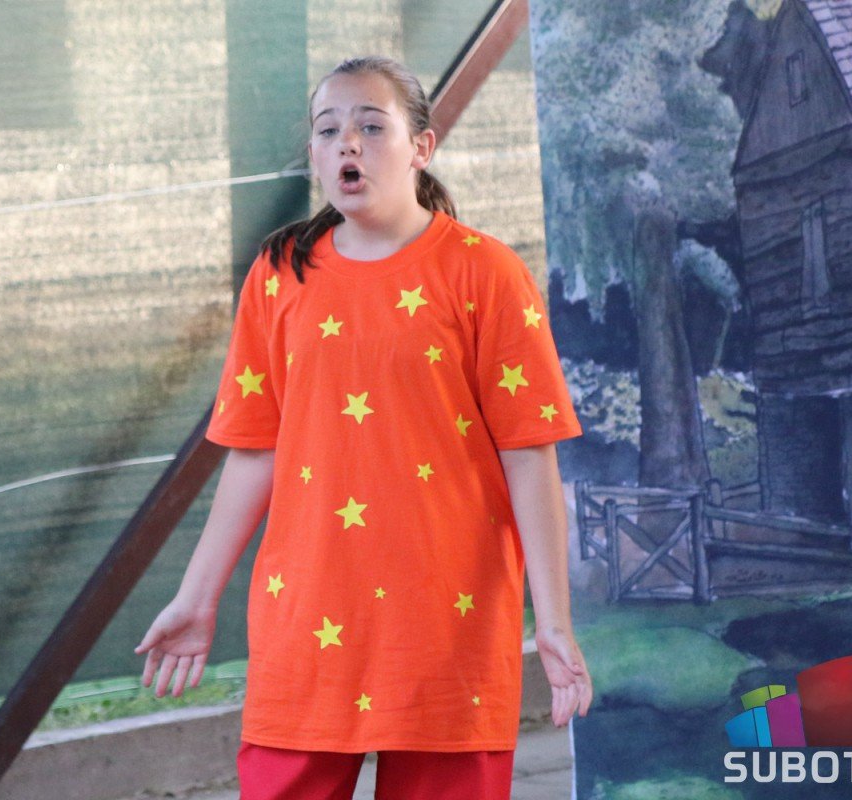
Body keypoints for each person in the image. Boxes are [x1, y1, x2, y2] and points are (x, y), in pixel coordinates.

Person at [135, 55, 593, 799]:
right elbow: (254, 451)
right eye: (328, 130)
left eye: (372, 126)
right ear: (315, 156)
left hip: (450, 622)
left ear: (421, 147)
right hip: (307, 619)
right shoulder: (279, 273)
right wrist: (196, 597)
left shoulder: (486, 272)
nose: (347, 141)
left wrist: (554, 620)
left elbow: (529, 456)